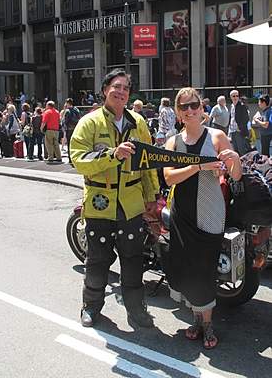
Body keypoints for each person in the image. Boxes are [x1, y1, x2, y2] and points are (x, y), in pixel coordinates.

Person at [70, 68, 160, 329]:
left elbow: (147, 163)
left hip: (131, 205)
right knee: (97, 262)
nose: (121, 92)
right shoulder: (90, 122)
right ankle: (91, 307)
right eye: (116, 87)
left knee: (133, 261)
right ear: (104, 91)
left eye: (126, 88)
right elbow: (78, 160)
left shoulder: (138, 123)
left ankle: (137, 311)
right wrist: (112, 154)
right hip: (100, 205)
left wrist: (152, 196)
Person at [163, 87, 242, 349]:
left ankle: (207, 324)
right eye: (184, 106)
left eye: (194, 104)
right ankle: (197, 320)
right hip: (182, 212)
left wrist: (234, 160)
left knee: (204, 269)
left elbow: (236, 175)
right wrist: (198, 165)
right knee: (187, 267)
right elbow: (168, 177)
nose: (190, 110)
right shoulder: (173, 141)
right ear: (178, 112)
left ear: (202, 107)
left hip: (210, 212)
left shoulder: (217, 136)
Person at [228, 89, 250, 156]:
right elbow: (231, 117)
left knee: (241, 149)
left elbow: (246, 118)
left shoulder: (242, 105)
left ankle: (244, 165)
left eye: (237, 96)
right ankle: (238, 165)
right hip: (232, 130)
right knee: (235, 149)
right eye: (233, 96)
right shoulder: (231, 106)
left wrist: (240, 127)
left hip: (239, 131)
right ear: (230, 97)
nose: (235, 98)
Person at [63, 98, 81, 164]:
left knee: (69, 144)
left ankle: (70, 159)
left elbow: (66, 121)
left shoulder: (67, 111)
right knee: (75, 144)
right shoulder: (76, 109)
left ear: (67, 103)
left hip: (69, 129)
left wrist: (64, 127)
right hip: (76, 129)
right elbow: (79, 117)